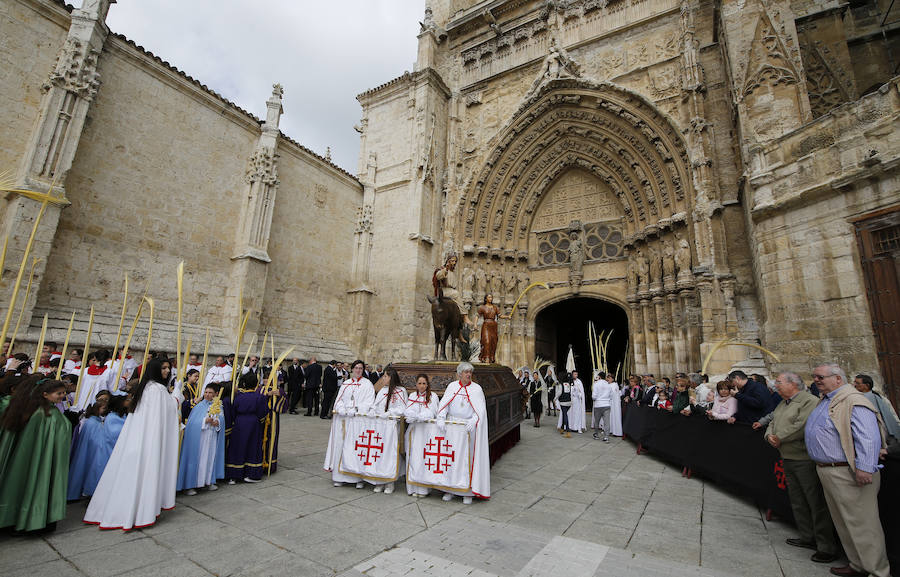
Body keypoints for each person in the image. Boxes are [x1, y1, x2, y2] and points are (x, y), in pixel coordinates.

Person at [804, 364, 889, 577]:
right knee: (843, 522)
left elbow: (868, 437)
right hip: (830, 470)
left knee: (863, 524)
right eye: (814, 377)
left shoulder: (854, 401)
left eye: (821, 377)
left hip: (848, 472)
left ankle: (878, 571)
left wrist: (864, 468)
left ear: (838, 379)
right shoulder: (827, 400)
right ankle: (857, 564)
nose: (816, 380)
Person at [83, 359, 184, 531]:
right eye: (163, 368)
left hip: (138, 436)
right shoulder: (157, 389)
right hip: (148, 438)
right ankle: (139, 510)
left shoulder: (145, 388)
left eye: (168, 368)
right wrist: (177, 395)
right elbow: (169, 409)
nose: (167, 371)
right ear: (154, 370)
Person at [763, 372, 838, 564]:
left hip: (804, 458)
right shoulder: (783, 403)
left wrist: (779, 437)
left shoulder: (809, 401)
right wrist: (769, 435)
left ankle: (825, 546)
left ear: (792, 384)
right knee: (798, 500)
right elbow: (773, 420)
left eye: (779, 382)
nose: (775, 385)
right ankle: (807, 536)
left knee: (815, 502)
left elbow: (802, 425)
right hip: (787, 456)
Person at [0, 377, 71, 533]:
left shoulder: (34, 410)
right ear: (45, 394)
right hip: (37, 458)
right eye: (59, 393)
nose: (62, 396)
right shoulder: (44, 415)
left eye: (64, 393)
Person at [436, 361, 490, 503]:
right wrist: (441, 417)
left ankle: (467, 492)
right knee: (451, 459)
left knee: (467, 460)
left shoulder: (476, 389)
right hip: (453, 428)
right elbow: (444, 405)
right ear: (460, 374)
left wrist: (474, 420)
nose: (468, 375)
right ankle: (451, 490)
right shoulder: (452, 386)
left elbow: (480, 410)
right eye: (466, 372)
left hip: (467, 429)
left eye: (470, 372)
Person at [324, 359, 375, 488]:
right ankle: (339, 476)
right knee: (340, 447)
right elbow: (339, 400)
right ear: (352, 369)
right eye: (356, 368)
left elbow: (370, 402)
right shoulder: (346, 384)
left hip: (358, 422)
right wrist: (341, 409)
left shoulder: (367, 384)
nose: (358, 370)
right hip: (344, 421)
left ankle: (357, 479)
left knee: (357, 449)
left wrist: (357, 409)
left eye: (360, 368)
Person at [178, 384, 225, 495]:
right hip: (200, 437)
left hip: (212, 436)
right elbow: (192, 423)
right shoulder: (198, 406)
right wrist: (205, 421)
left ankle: (208, 481)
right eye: (206, 392)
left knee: (210, 458)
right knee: (198, 459)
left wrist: (217, 423)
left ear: (215, 394)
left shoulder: (218, 405)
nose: (207, 395)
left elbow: (222, 420)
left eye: (210, 393)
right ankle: (191, 484)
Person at [224, 373, 271, 484]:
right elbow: (263, 413)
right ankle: (251, 474)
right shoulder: (260, 397)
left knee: (237, 447)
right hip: (253, 423)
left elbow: (233, 411)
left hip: (239, 423)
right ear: (255, 384)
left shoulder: (237, 397)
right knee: (252, 447)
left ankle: (234, 475)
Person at [369, 367, 407, 494]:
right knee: (378, 453)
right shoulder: (382, 390)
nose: (383, 378)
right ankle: (379, 480)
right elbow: (376, 404)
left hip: (392, 427)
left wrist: (390, 412)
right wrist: (373, 411)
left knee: (390, 454)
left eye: (385, 376)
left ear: (391, 377)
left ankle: (390, 481)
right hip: (380, 426)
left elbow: (403, 408)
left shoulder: (401, 391)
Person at [404, 373, 439, 497]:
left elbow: (432, 411)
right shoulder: (413, 395)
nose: (422, 386)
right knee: (412, 458)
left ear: (427, 384)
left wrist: (420, 416)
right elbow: (408, 409)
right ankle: (412, 488)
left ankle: (423, 490)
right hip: (414, 431)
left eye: (424, 383)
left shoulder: (433, 396)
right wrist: (411, 415)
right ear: (416, 384)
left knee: (423, 459)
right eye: (419, 383)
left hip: (425, 432)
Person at [67, 396, 108, 500]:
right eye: (103, 408)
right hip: (89, 452)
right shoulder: (94, 423)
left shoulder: (91, 421)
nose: (105, 410)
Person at [853, 374, 899, 443]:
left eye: (857, 383)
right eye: (855, 382)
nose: (854, 385)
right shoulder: (856, 399)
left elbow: (892, 415)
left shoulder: (880, 399)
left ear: (867, 385)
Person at [476, 294, 509, 364]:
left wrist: (507, 317)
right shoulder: (482, 307)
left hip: (493, 325)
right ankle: (486, 357)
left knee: (493, 342)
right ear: (486, 299)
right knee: (486, 341)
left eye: (491, 297)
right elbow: (477, 316)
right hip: (486, 325)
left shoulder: (495, 308)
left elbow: (500, 315)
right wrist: (475, 324)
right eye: (489, 297)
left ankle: (492, 357)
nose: (491, 298)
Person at [591, 371, 615, 442]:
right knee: (607, 422)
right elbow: (611, 395)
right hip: (606, 404)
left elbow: (594, 396)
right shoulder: (608, 385)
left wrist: (595, 399)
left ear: (599, 377)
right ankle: (606, 436)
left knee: (597, 421)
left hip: (598, 404)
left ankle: (596, 434)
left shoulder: (596, 384)